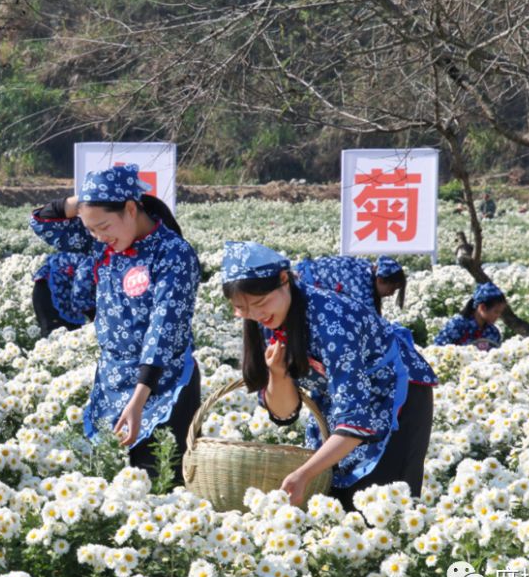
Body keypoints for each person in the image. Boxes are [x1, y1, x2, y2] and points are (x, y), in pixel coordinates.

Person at [221, 241, 437, 510]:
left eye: (260, 303)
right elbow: (285, 413)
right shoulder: (267, 322)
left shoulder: (333, 321)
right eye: (243, 308)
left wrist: (305, 473)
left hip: (395, 397)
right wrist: (278, 374)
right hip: (340, 399)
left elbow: (356, 419)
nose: (255, 314)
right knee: (332, 496)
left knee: (382, 504)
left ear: (284, 279)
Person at [30, 164, 200, 484]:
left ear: (131, 209)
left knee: (159, 483)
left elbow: (164, 328)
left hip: (162, 385)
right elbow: (41, 221)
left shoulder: (174, 254)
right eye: (91, 229)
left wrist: (139, 400)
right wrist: (82, 201)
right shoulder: (102, 242)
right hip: (112, 382)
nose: (98, 236)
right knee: (115, 486)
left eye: (104, 226)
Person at [294, 255, 407, 316]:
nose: (391, 294)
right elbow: (372, 320)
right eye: (392, 289)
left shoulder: (366, 268)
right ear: (381, 280)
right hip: (305, 284)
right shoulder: (361, 287)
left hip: (305, 273)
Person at [31, 251, 96, 337]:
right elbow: (80, 294)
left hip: (54, 290)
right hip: (51, 295)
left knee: (72, 335)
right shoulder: (92, 262)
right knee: (58, 336)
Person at [433, 282, 506, 350]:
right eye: (496, 312)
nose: (498, 316)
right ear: (482, 307)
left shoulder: (493, 332)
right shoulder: (457, 325)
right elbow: (438, 349)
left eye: (500, 312)